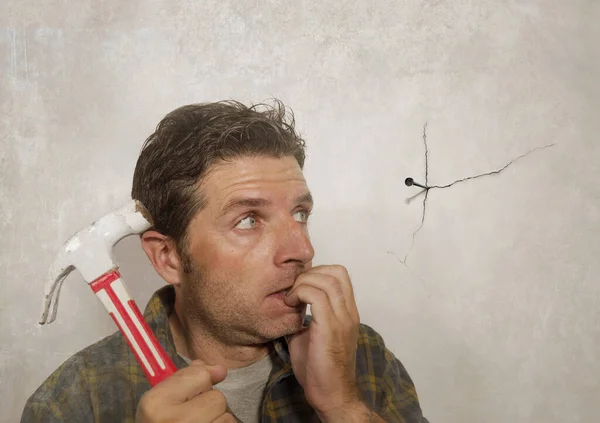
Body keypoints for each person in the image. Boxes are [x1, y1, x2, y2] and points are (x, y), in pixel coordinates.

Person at [21, 100, 429, 423]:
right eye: (248, 220)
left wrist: (344, 407)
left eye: (300, 214)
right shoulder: (74, 402)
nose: (301, 249)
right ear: (168, 257)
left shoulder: (359, 355)